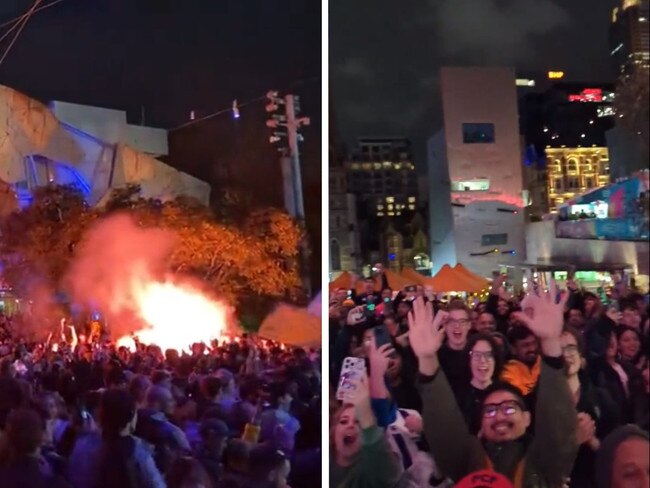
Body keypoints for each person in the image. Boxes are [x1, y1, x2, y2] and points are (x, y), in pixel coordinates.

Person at [408, 286, 577, 486]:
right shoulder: (470, 460)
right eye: (489, 411)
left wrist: (550, 342)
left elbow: (557, 426)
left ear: (527, 418)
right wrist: (427, 359)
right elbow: (445, 431)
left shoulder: (544, 459)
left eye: (509, 408)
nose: (499, 416)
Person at [330, 374, 401, 487]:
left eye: (358, 422)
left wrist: (366, 418)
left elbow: (390, 475)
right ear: (333, 433)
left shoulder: (371, 470)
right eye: (343, 421)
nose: (350, 425)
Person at [455, 334, 504, 435]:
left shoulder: (506, 393)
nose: (482, 361)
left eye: (488, 355)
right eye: (477, 355)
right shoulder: (456, 395)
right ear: (469, 360)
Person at [500, 327, 541, 400]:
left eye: (534, 343)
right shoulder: (507, 373)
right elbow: (520, 398)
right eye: (525, 345)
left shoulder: (545, 364)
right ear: (513, 349)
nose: (532, 349)